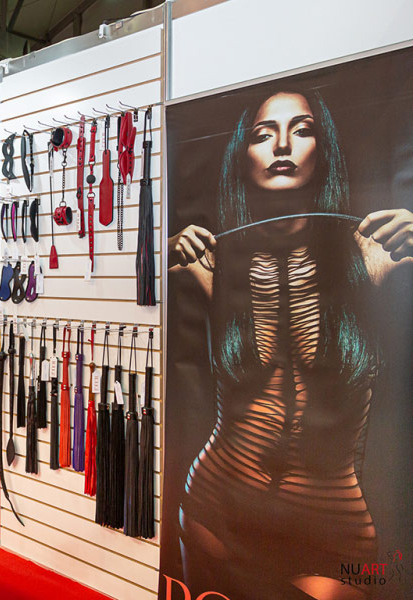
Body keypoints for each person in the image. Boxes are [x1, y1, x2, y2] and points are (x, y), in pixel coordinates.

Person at [168, 90, 413, 599]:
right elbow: (125, 295)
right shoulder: (210, 262)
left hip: (327, 531)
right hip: (216, 506)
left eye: (301, 130)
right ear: (242, 155)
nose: (282, 144)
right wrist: (161, 253)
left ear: (323, 150)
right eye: (263, 134)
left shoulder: (374, 255)